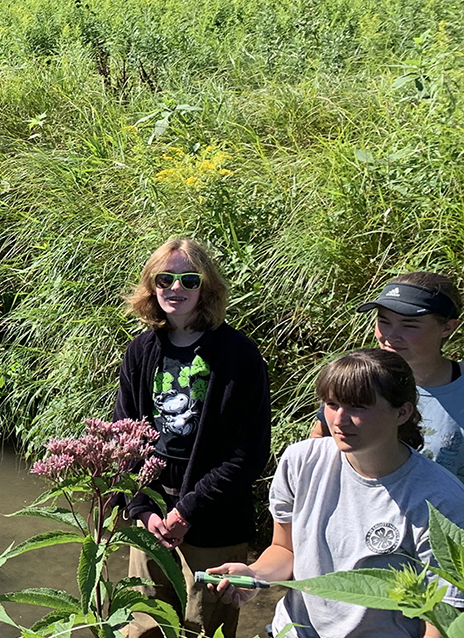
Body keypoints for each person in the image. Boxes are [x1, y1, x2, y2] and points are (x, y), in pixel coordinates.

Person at [209, 348, 464, 637]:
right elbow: (285, 549)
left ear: (402, 412)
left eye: (358, 406)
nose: (339, 420)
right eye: (331, 404)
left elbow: (444, 618)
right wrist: (254, 575)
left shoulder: (441, 499)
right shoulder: (301, 461)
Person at [112, 237, 272, 638]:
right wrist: (140, 508)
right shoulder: (141, 351)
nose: (175, 288)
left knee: (203, 627)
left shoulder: (239, 355)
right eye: (164, 279)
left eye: (188, 279)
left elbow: (249, 452)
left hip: (215, 519)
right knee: (143, 624)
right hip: (151, 516)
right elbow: (123, 436)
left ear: (207, 286)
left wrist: (187, 511)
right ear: (152, 285)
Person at [309, 272, 464, 481]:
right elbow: (319, 441)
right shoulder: (360, 378)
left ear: (447, 327)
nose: (390, 336)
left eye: (409, 325)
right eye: (384, 321)